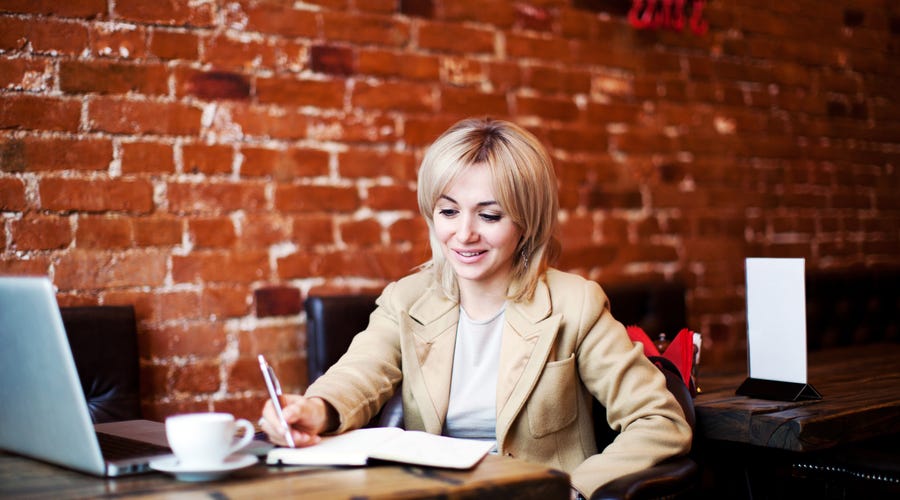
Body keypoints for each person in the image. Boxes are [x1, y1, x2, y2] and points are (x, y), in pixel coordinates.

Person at [259, 117, 692, 498]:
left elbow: (658, 419)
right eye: (449, 211)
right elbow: (358, 375)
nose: (463, 234)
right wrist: (312, 411)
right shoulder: (406, 299)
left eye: (489, 216)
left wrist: (575, 491)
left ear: (527, 223)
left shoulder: (575, 303)